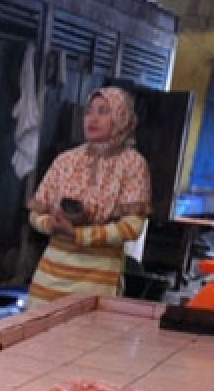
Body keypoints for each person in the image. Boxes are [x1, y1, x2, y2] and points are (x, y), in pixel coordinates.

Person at [26, 86, 151, 307]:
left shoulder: (133, 163)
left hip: (97, 278)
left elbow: (133, 227)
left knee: (86, 338)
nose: (92, 118)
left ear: (121, 118)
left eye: (104, 111)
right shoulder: (66, 160)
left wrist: (78, 235)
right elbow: (36, 215)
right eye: (89, 111)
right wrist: (52, 225)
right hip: (51, 276)